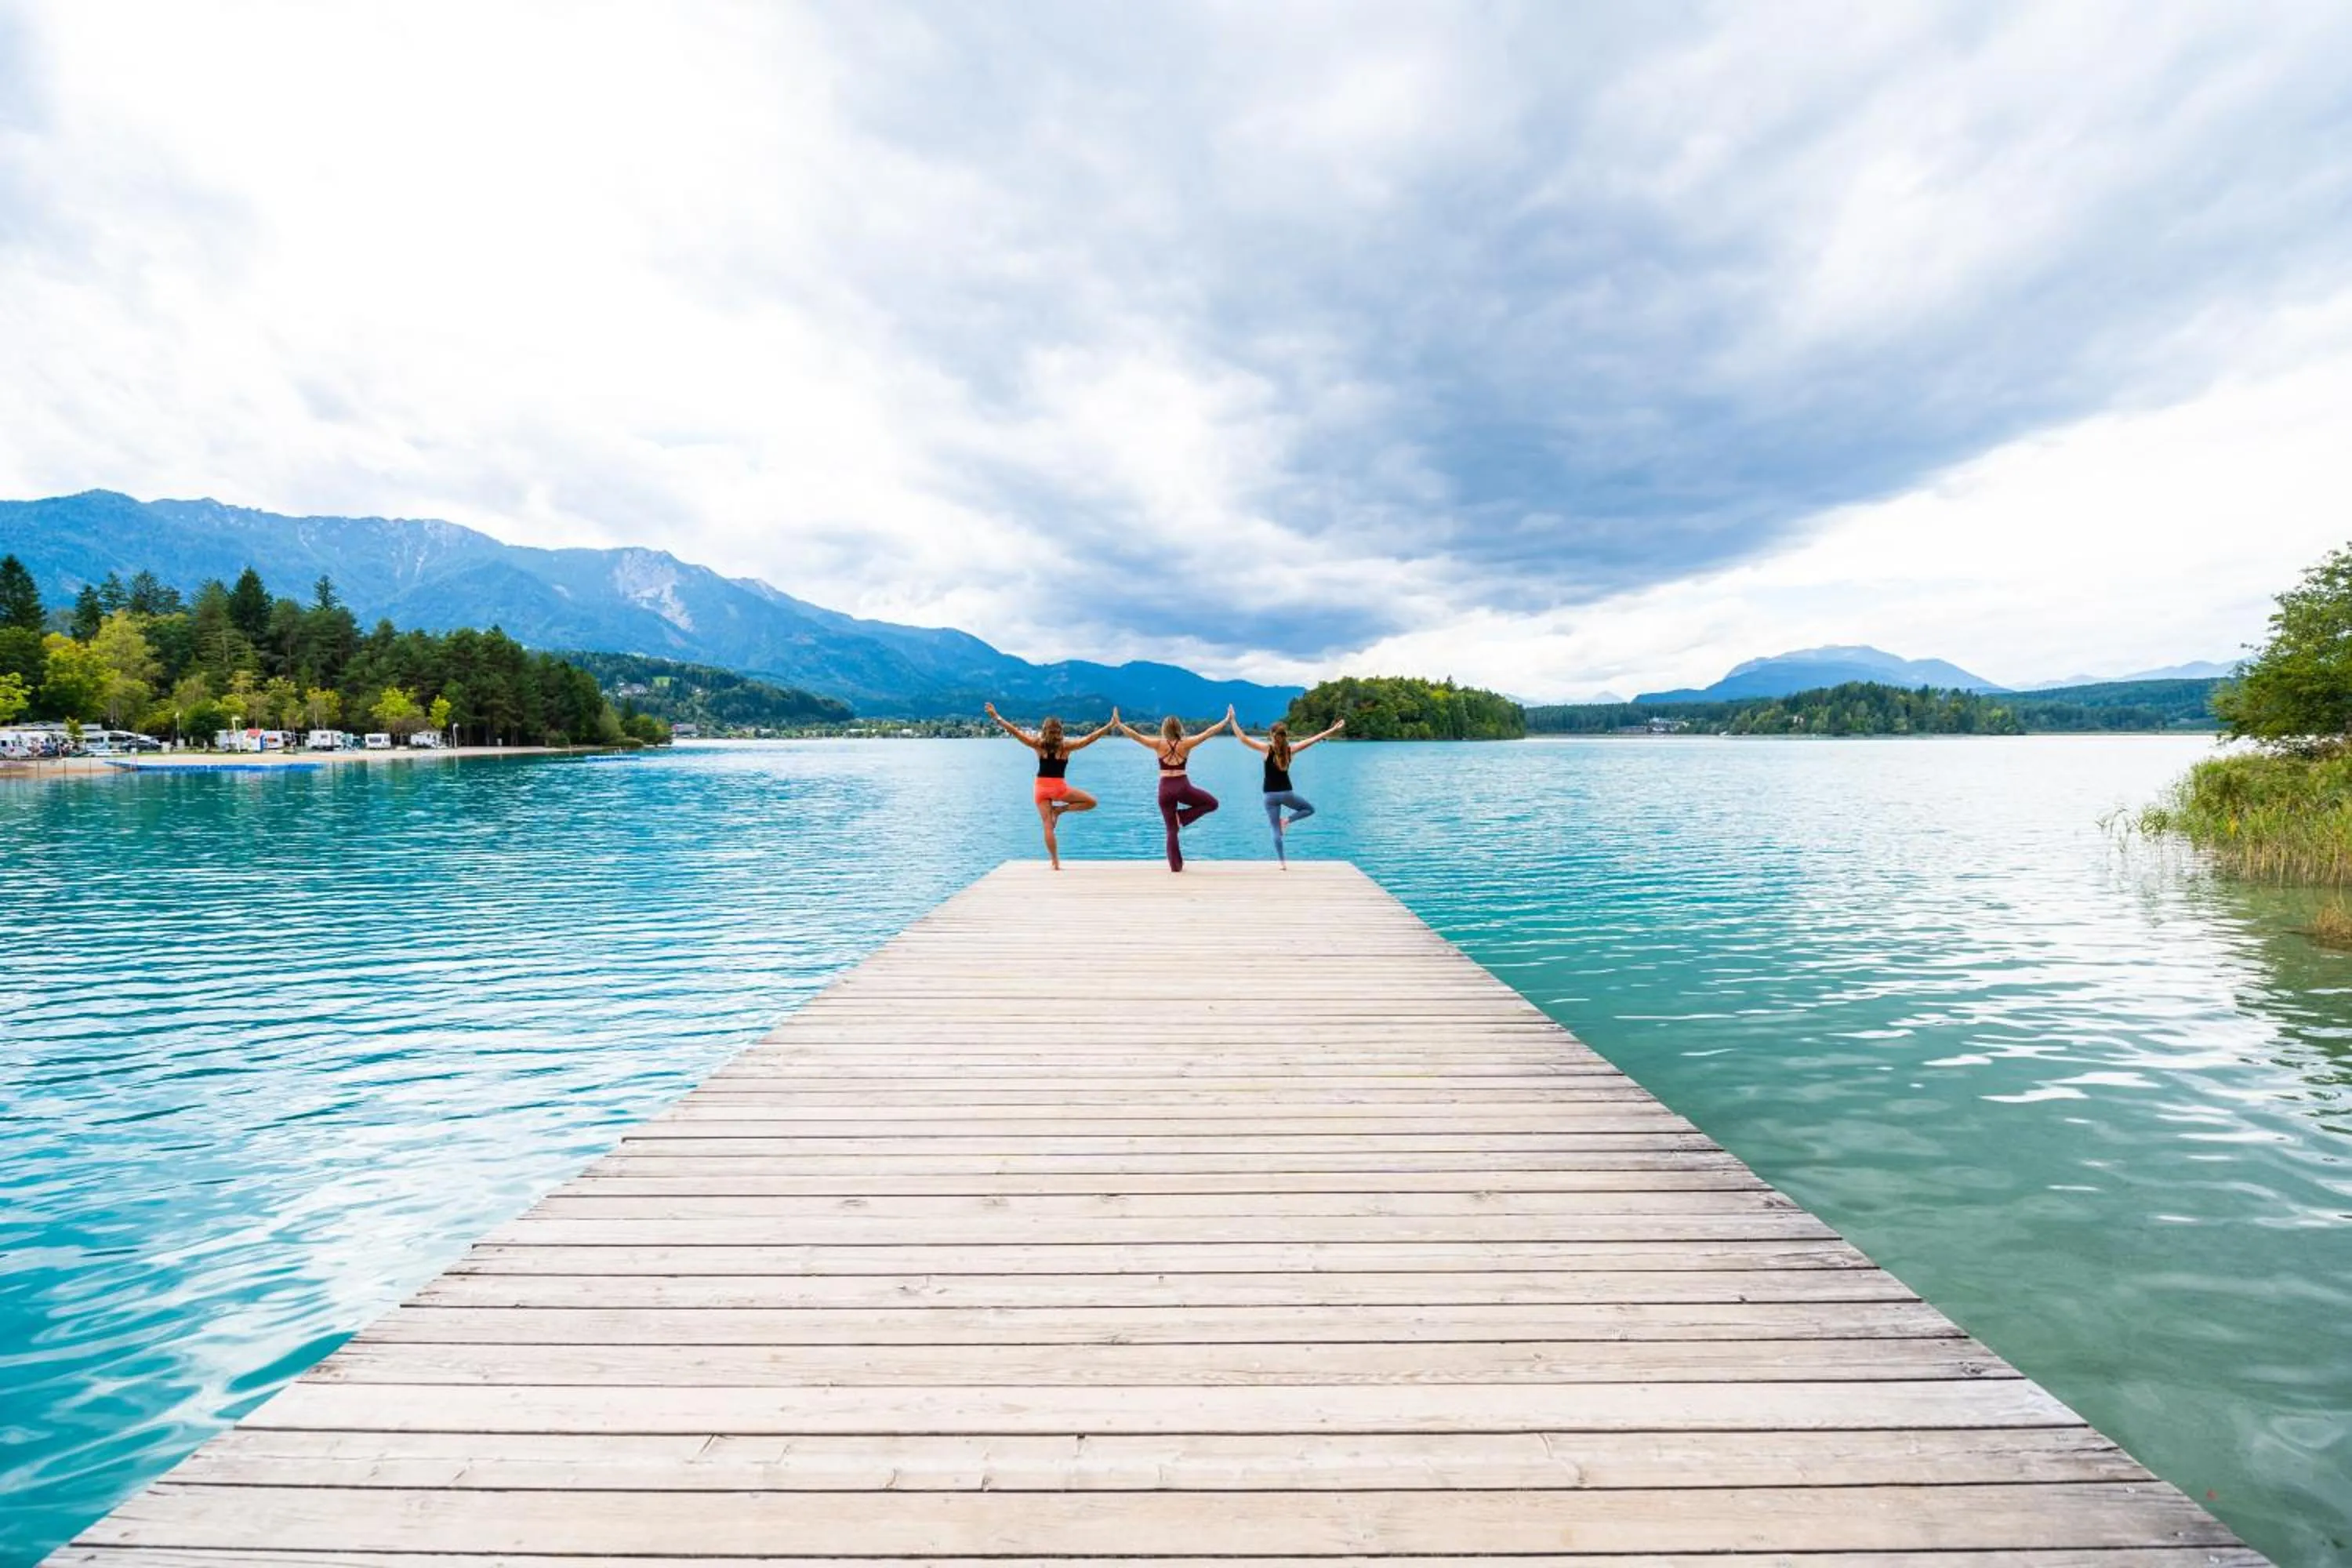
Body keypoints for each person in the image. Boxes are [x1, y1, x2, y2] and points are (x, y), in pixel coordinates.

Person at [985, 703, 1116, 870]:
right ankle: (1060, 810)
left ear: (1044, 730)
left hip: (1040, 787)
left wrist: (996, 716)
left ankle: (1055, 862)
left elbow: (1015, 732)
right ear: (1060, 730)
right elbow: (1089, 739)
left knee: (1047, 826)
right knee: (1091, 802)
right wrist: (1109, 726)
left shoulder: (1037, 744)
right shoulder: (1066, 746)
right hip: (1059, 788)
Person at [1115, 706, 1234, 872]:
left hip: (1164, 789)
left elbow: (1137, 737)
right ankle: (1182, 817)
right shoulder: (1186, 744)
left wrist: (1119, 724)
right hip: (1182, 786)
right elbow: (1208, 733)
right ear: (1179, 728)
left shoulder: (1158, 744)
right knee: (1212, 803)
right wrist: (1227, 720)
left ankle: (1175, 867)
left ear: (1164, 729)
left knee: (1171, 830)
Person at [1234, 716, 1345, 866]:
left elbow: (1243, 738)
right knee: (1309, 809)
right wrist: (1334, 729)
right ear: (1285, 735)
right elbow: (1314, 739)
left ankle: (1282, 863)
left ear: (1271, 735)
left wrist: (1232, 719)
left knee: (1275, 830)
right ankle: (1287, 821)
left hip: (1269, 796)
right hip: (1287, 794)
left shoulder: (1267, 749)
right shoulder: (1290, 750)